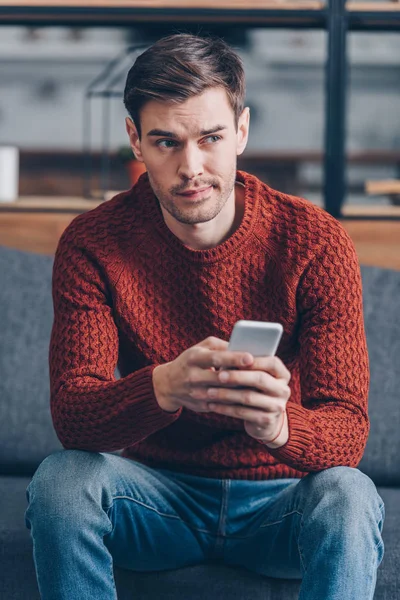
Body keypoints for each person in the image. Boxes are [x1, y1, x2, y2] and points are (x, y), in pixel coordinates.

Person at [25, 33, 385, 600]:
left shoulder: (316, 243)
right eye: (166, 142)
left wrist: (279, 427)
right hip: (155, 501)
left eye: (210, 138)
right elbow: (74, 418)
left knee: (350, 494)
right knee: (62, 482)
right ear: (134, 140)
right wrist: (163, 386)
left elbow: (348, 431)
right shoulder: (92, 242)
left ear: (241, 131)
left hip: (279, 505)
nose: (191, 167)